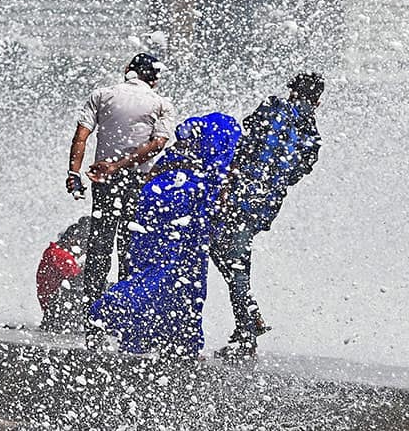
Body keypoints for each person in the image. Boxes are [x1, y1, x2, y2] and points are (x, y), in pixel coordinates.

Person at [88, 113, 242, 359]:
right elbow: (217, 187)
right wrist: (218, 220)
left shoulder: (176, 152)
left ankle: (139, 337)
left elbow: (152, 175)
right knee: (184, 278)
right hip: (185, 204)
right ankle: (121, 312)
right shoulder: (214, 155)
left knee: (151, 268)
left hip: (153, 199)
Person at [211, 73, 324, 359]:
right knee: (235, 256)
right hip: (265, 203)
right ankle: (248, 321)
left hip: (240, 192)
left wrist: (228, 181)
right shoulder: (311, 134)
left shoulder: (272, 107)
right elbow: (299, 171)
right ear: (318, 101)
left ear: (292, 91)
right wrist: (274, 184)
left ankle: (248, 332)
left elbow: (243, 144)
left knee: (222, 251)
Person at [65, 53, 176, 346]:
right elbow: (158, 145)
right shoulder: (161, 104)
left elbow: (81, 136)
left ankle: (93, 321)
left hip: (103, 179)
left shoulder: (102, 95)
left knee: (99, 248)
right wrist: (122, 164)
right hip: (138, 182)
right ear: (154, 78)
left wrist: (74, 172)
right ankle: (124, 321)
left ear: (127, 71)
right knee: (130, 249)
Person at [37, 218, 89, 333]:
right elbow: (80, 280)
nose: (86, 249)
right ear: (73, 240)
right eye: (86, 243)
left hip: (55, 311)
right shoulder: (59, 255)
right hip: (57, 314)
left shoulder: (55, 251)